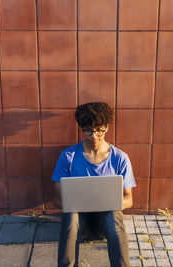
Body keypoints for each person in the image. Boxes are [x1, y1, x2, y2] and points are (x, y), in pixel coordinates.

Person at [51, 102, 136, 267]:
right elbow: (55, 199)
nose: (94, 136)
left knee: (115, 216)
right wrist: (72, 205)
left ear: (107, 128)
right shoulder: (68, 156)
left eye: (99, 130)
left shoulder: (120, 158)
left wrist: (110, 203)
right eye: (88, 131)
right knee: (70, 217)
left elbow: (129, 199)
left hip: (105, 223)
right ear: (82, 128)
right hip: (79, 223)